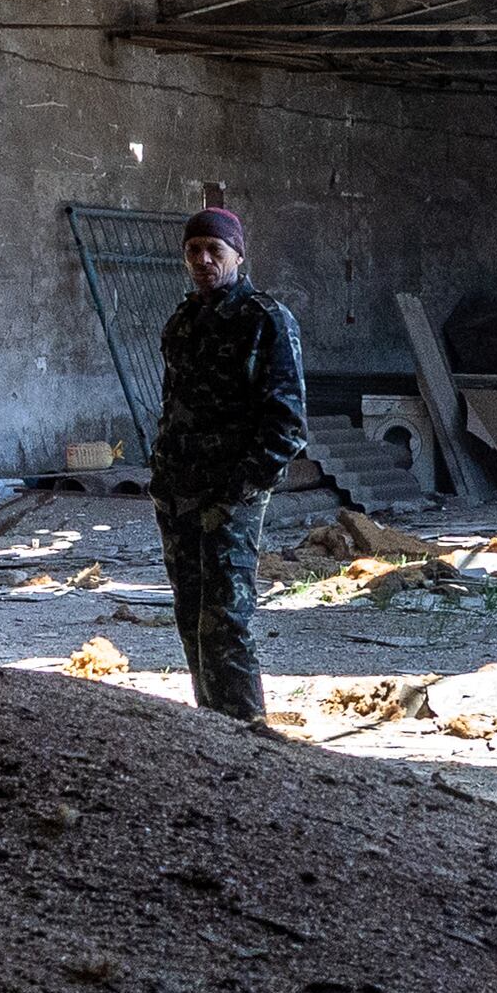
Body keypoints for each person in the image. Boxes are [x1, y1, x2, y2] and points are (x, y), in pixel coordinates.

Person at [147, 198, 312, 727]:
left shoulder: (265, 320)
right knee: (190, 616)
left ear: (237, 255)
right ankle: (211, 730)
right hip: (178, 493)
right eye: (193, 250)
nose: (202, 260)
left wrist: (242, 489)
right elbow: (172, 407)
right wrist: (161, 479)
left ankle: (247, 732)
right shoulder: (182, 323)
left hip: (229, 496)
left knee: (225, 621)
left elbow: (287, 424)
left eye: (213, 250)